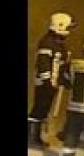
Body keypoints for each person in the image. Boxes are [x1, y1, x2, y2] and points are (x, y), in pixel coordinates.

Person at [28, 12, 75, 148]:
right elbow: (43, 63)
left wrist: (65, 80)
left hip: (52, 83)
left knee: (44, 109)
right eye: (68, 27)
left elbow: (62, 65)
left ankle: (35, 136)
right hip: (45, 83)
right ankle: (32, 137)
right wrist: (47, 80)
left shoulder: (59, 44)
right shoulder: (47, 43)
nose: (69, 31)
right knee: (39, 108)